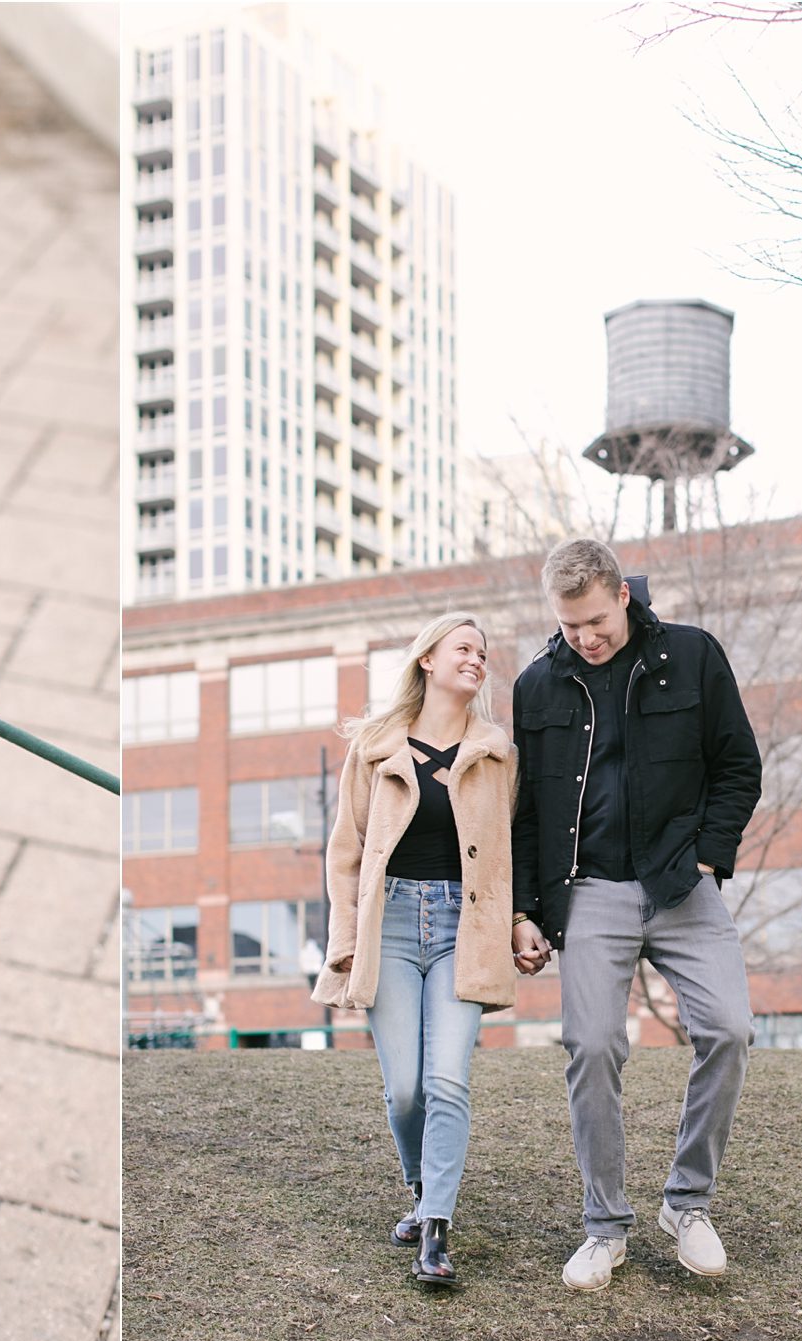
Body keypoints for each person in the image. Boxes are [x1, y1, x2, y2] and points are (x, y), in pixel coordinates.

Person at [510, 539, 763, 1292]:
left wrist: (711, 857)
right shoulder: (537, 686)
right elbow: (524, 814)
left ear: (623, 595)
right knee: (590, 1046)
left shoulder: (691, 656)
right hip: (589, 891)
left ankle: (687, 1206)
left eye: (594, 620)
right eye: (569, 624)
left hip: (683, 885)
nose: (584, 638)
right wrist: (525, 909)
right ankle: (603, 1227)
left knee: (729, 1030)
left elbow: (738, 766)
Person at [314, 612, 531, 1286]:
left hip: (465, 928)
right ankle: (420, 1189)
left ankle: (435, 1231)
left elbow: (510, 852)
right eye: (464, 648)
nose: (477, 659)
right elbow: (345, 853)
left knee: (447, 1080)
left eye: (484, 653)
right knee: (405, 1086)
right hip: (395, 924)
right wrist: (346, 940)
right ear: (428, 661)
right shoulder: (376, 747)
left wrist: (521, 919)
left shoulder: (498, 755)